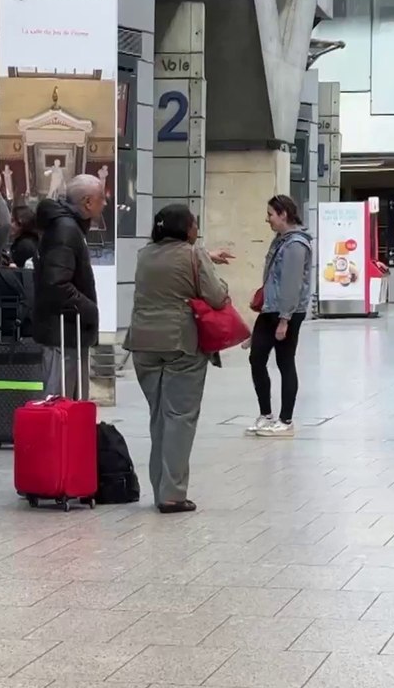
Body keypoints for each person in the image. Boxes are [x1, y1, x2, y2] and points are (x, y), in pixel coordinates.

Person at [125, 204, 233, 514]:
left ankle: (160, 487)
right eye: (194, 223)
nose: (197, 228)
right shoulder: (192, 253)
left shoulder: (144, 254)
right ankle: (171, 495)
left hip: (143, 343)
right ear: (186, 228)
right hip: (179, 343)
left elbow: (167, 271)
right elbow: (216, 296)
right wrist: (215, 274)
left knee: (159, 415)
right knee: (180, 417)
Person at [247, 194, 314, 438]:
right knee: (257, 358)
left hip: (288, 311)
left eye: (270, 215)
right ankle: (266, 414)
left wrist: (285, 320)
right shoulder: (280, 240)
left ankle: (286, 420)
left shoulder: (296, 244)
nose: (268, 220)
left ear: (283, 214)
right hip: (270, 308)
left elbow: (292, 284)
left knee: (285, 362)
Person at [34, 175, 102, 399]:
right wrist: (89, 309)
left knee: (72, 403)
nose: (105, 203)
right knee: (59, 402)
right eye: (101, 198)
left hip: (70, 332)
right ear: (87, 202)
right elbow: (57, 282)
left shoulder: (70, 227)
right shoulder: (65, 229)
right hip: (62, 334)